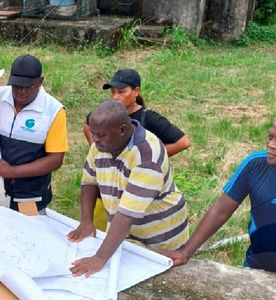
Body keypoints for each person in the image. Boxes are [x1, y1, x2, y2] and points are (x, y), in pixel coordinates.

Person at [160, 110, 276, 281]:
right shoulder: (255, 164)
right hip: (255, 265)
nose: (271, 145)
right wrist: (186, 251)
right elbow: (221, 210)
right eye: (270, 137)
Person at [67, 100, 189, 277]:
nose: (95, 140)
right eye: (93, 134)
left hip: (160, 237)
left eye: (100, 135)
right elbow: (89, 181)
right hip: (124, 234)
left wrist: (100, 258)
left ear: (122, 130)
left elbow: (127, 213)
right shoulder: (101, 145)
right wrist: (86, 221)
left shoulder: (147, 156)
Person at [0, 54, 69, 213]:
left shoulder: (53, 111)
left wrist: (13, 172)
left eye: (27, 87)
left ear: (40, 82)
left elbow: (55, 160)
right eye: (16, 86)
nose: (21, 92)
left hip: (29, 199)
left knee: (27, 230)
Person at [83, 68, 191, 156]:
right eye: (113, 92)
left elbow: (183, 142)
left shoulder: (149, 118)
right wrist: (96, 151)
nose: (115, 97)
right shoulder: (106, 114)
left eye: (121, 92)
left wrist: (150, 157)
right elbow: (87, 124)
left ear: (136, 91)